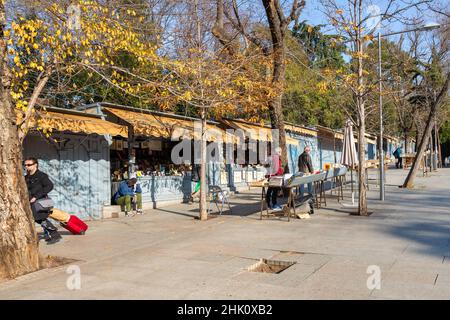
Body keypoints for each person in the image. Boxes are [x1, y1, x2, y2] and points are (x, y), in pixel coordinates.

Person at [24, 157, 62, 245]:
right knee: (38, 218)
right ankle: (50, 235)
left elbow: (49, 186)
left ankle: (55, 235)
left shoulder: (41, 176)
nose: (26, 167)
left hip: (39, 201)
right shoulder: (26, 177)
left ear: (35, 165)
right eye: (25, 165)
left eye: (29, 165)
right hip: (29, 202)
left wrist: (36, 196)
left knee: (40, 218)